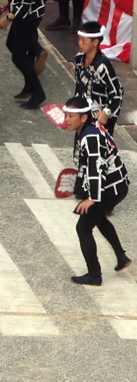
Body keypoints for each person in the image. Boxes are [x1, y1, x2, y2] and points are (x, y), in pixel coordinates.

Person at [62, 95, 130, 286]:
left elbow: (95, 168)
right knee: (98, 218)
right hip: (116, 184)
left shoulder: (89, 136)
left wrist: (92, 198)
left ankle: (95, 275)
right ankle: (121, 257)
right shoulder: (87, 129)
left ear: (83, 117)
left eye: (71, 116)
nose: (66, 119)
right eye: (66, 115)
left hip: (110, 188)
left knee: (83, 227)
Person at [74, 20, 124, 133]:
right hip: (84, 115)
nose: (80, 44)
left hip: (100, 119)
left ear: (95, 42)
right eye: (79, 40)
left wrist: (107, 112)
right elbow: (78, 86)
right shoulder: (78, 59)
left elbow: (117, 94)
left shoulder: (103, 66)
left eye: (84, 40)